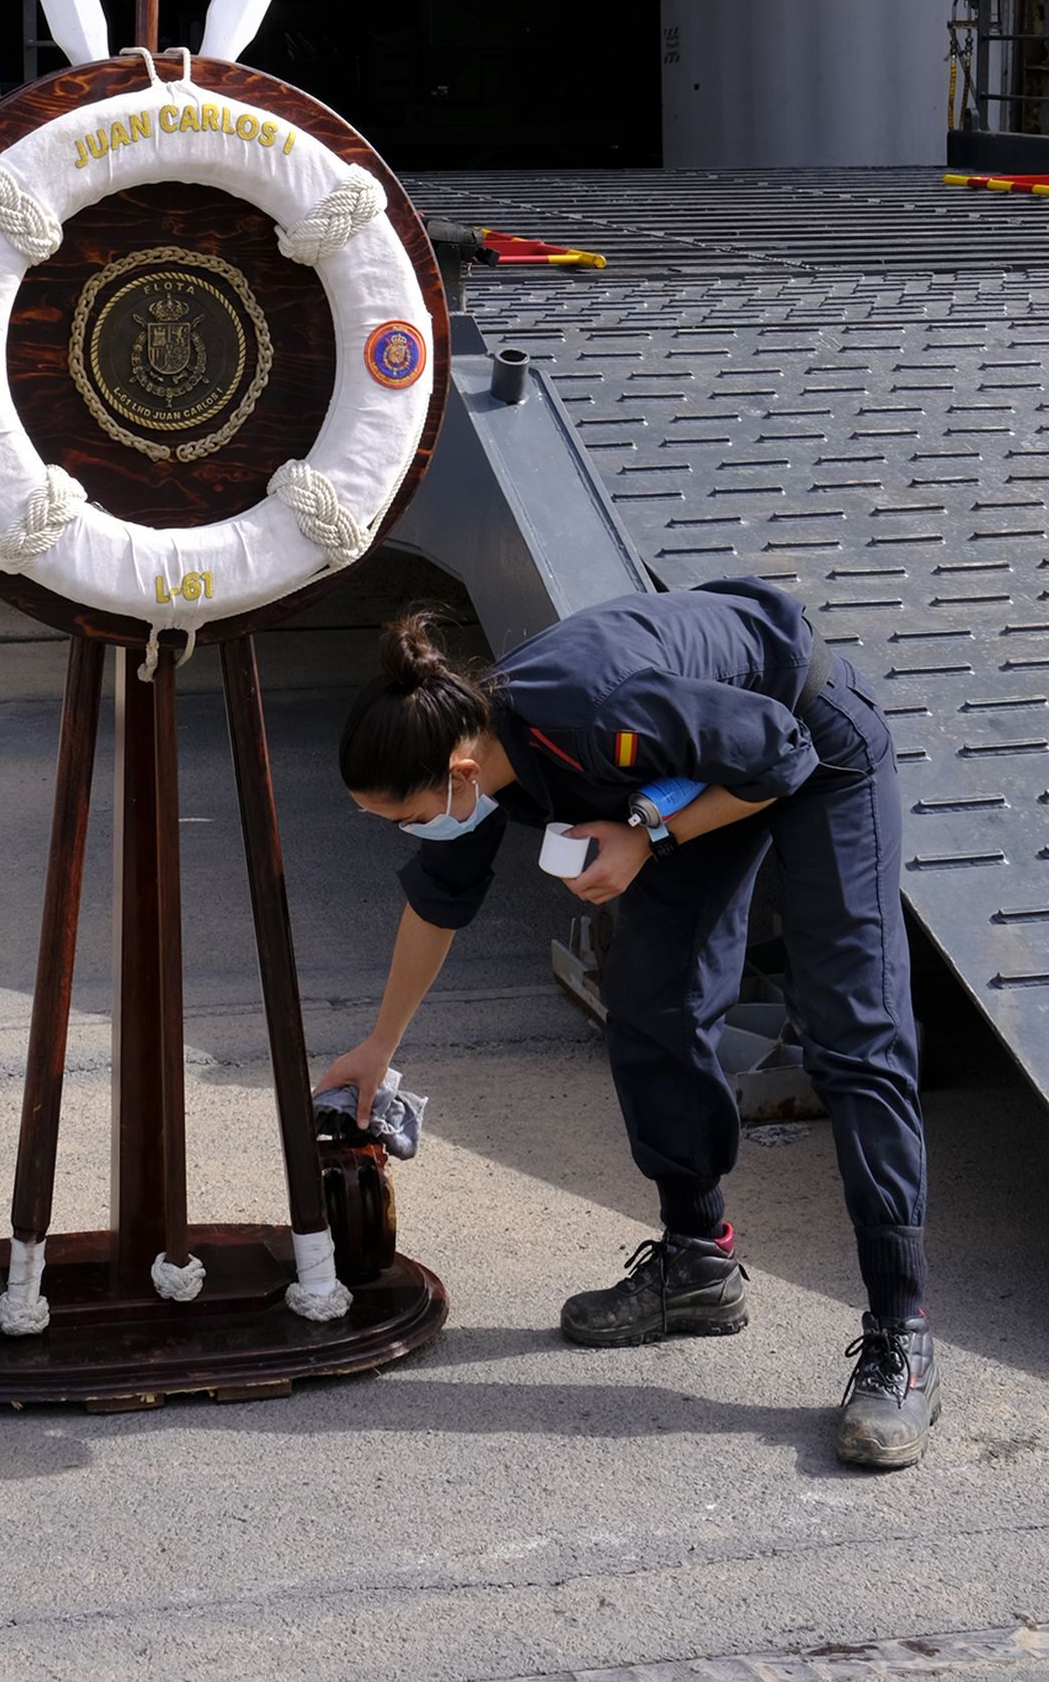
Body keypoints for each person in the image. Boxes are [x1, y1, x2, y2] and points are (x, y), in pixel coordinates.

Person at [314, 578, 937, 1469]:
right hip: (688, 773)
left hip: (808, 739)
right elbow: (436, 906)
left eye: (409, 817)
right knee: (653, 1006)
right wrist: (380, 1045)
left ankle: (902, 1335)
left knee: (853, 1032)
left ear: (458, 774)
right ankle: (698, 1261)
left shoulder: (593, 713)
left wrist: (648, 835)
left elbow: (782, 754)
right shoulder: (474, 750)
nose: (412, 831)